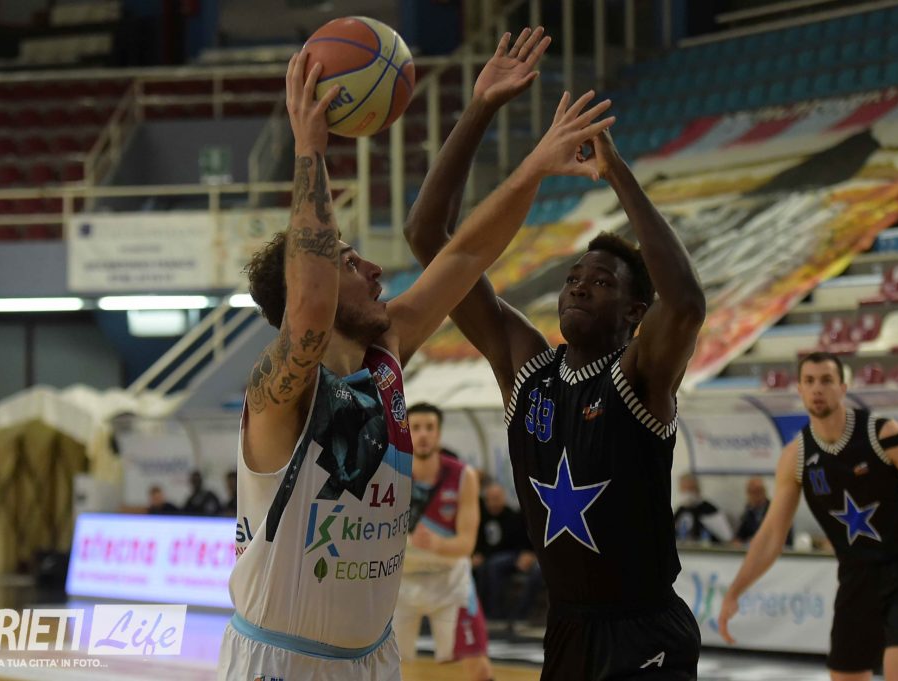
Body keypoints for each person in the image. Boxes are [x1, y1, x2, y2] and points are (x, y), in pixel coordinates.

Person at [218, 29, 614, 680]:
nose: (375, 269)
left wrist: (532, 163)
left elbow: (465, 253)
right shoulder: (278, 392)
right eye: (351, 262)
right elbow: (310, 306)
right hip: (280, 661)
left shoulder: (387, 348)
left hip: (373, 658)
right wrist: (310, 148)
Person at [406, 109, 705, 679]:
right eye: (573, 279)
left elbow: (686, 303)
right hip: (567, 626)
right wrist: (482, 107)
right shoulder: (528, 368)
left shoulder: (639, 373)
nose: (579, 288)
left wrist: (616, 173)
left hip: (644, 629)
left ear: (635, 312)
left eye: (601, 282)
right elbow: (425, 235)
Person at [718, 352, 898, 680]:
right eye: (809, 381)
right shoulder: (796, 456)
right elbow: (772, 535)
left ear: (843, 387)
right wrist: (734, 591)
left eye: (826, 380)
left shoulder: (881, 434)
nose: (817, 389)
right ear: (800, 390)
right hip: (857, 582)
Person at [393, 403, 493, 680]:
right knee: (384, 667)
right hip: (401, 582)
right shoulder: (393, 472)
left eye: (430, 427)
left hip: (449, 581)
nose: (423, 434)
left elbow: (467, 545)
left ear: (439, 433)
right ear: (406, 431)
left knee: (479, 668)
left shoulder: (463, 476)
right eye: (416, 428)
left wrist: (435, 543)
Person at [472, 481, 543, 631]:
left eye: (496, 498)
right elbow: (478, 541)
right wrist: (477, 554)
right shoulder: (481, 517)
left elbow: (519, 542)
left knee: (495, 564)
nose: (493, 503)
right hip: (498, 556)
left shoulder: (512, 516)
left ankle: (518, 616)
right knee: (483, 567)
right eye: (490, 499)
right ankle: (486, 613)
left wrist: (529, 554)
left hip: (516, 555)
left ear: (503, 498)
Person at [673, 472, 733, 545]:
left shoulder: (709, 510)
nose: (687, 493)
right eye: (684, 489)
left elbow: (727, 538)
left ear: (698, 489)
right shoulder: (680, 510)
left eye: (690, 489)